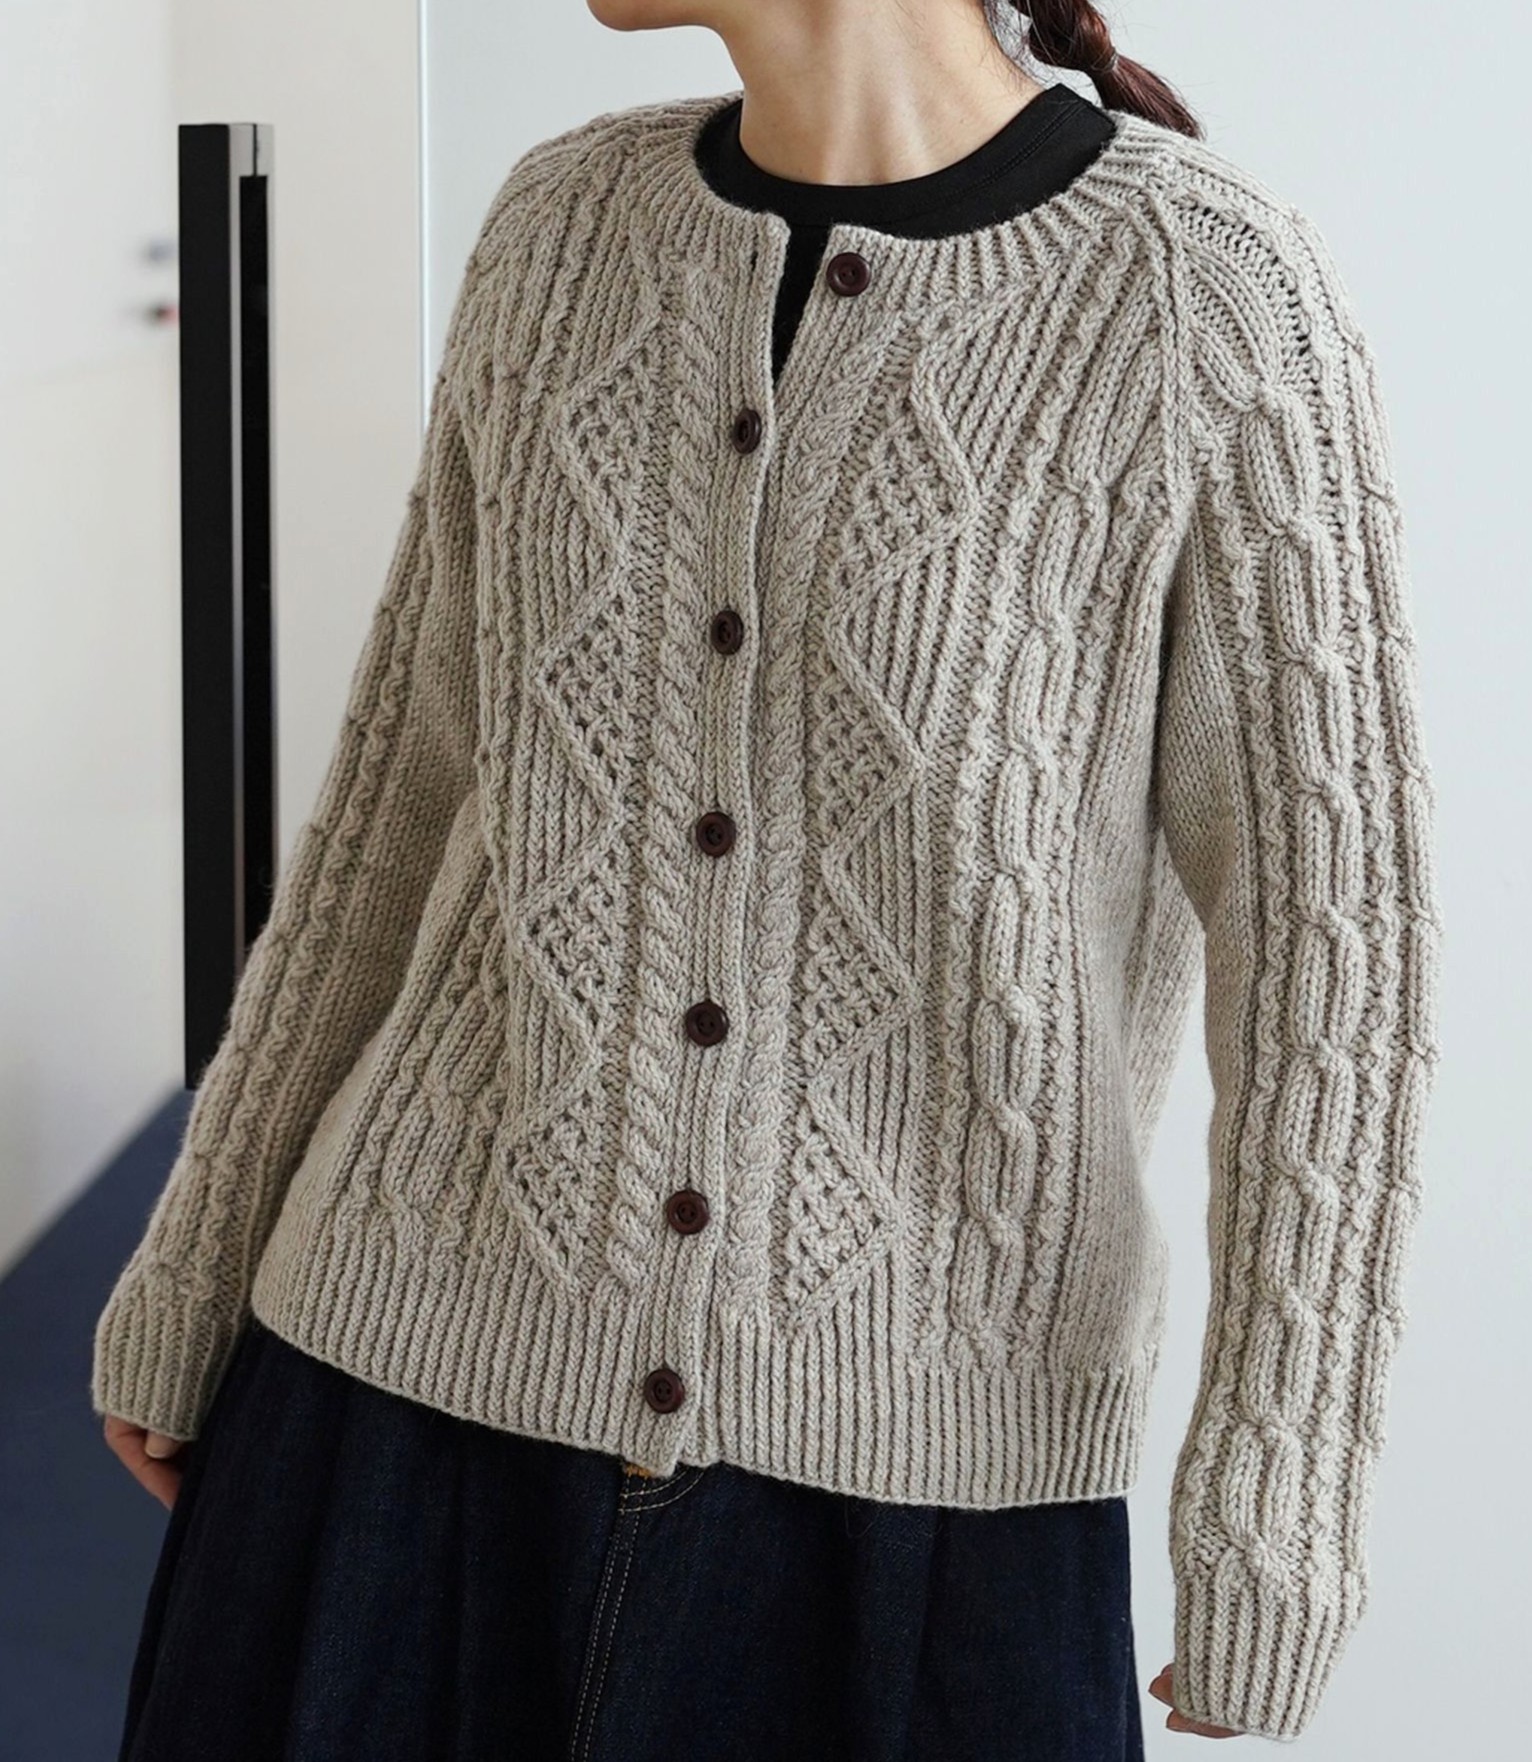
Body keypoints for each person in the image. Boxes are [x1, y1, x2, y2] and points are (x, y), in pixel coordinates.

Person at [93, 2, 1443, 1757]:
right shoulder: (561, 227)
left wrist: (1278, 1508)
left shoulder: (1204, 300)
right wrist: (197, 1257)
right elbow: (397, 805)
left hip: (923, 1495)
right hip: (389, 1415)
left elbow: (1337, 957)